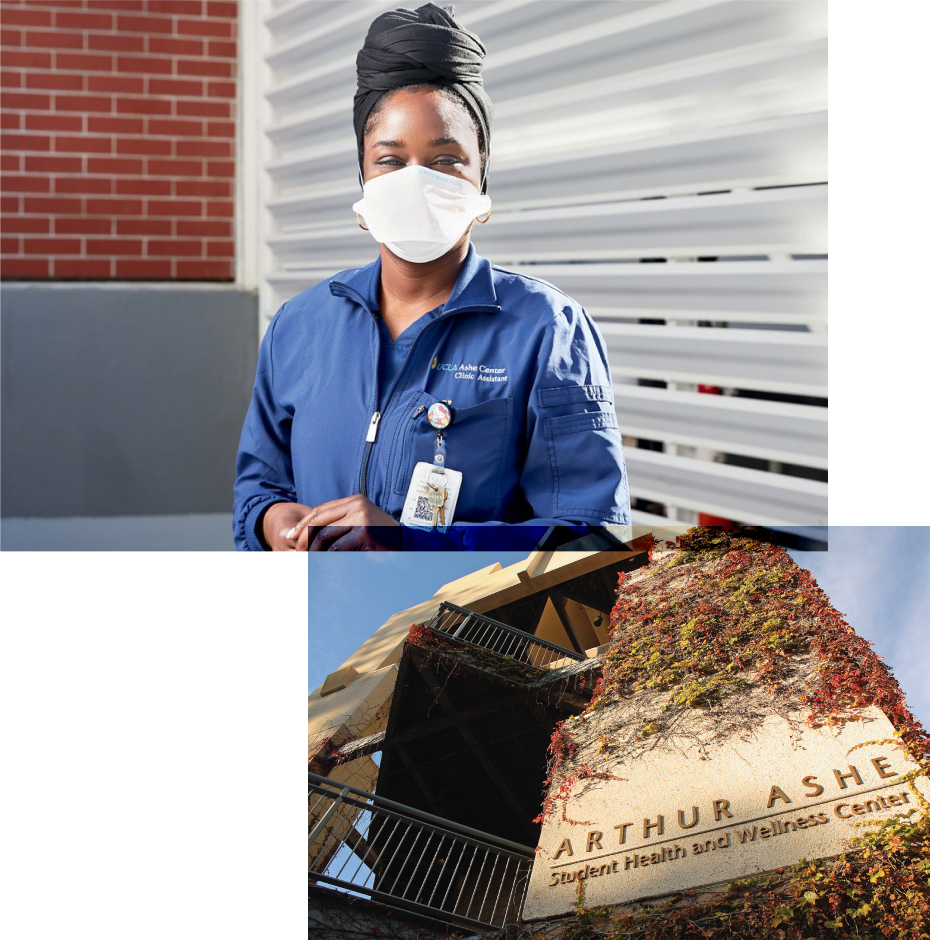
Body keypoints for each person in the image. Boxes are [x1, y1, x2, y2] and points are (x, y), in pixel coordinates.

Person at [233, 2, 629, 551]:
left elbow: (589, 542)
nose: (416, 181)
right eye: (391, 161)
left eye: (446, 160)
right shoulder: (300, 324)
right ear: (364, 177)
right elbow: (258, 486)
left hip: (460, 636)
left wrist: (413, 546)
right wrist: (273, 523)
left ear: (480, 179)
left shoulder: (547, 331)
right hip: (318, 624)